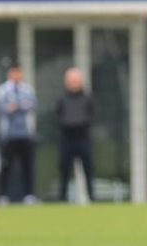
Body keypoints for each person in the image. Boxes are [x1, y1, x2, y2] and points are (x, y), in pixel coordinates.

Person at [0, 63, 38, 205]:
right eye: (14, 72)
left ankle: (29, 195)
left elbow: (31, 106)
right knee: (6, 166)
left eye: (19, 72)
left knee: (28, 166)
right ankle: (3, 195)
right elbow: (4, 108)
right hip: (9, 134)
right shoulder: (3, 90)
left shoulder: (28, 89)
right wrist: (18, 106)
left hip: (25, 134)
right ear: (9, 74)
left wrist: (15, 106)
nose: (16, 75)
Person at [55, 67, 95, 203]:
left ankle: (92, 197)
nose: (74, 84)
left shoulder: (87, 97)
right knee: (64, 170)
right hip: (67, 139)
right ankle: (62, 197)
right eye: (71, 81)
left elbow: (91, 115)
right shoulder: (61, 98)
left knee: (88, 170)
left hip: (83, 138)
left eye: (76, 81)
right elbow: (58, 116)